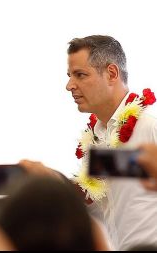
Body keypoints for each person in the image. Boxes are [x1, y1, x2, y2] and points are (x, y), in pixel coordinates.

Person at [57, 35, 157, 249]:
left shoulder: (150, 126)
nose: (69, 85)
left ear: (111, 73)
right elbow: (101, 204)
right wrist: (52, 185)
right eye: (69, 76)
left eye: (80, 75)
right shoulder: (95, 138)